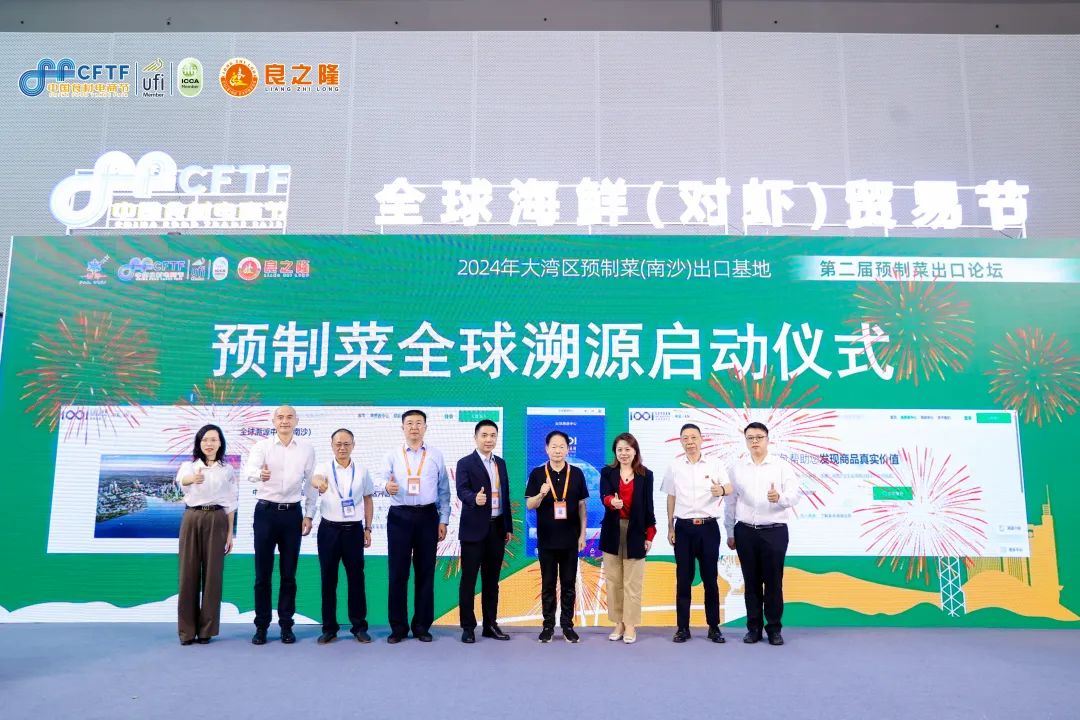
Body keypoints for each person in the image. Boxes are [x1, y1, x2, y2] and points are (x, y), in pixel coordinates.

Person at [244, 405, 317, 645]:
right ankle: (261, 626)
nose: (285, 421)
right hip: (265, 513)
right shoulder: (262, 446)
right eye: (280, 417)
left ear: (297, 420)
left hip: (292, 515)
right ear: (273, 421)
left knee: (289, 575)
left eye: (289, 417)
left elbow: (311, 484)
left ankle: (286, 626)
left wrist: (309, 514)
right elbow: (249, 470)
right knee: (262, 575)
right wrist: (259, 475)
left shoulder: (306, 449)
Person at [725, 421, 800, 646]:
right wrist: (730, 531)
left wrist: (780, 498)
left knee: (774, 583)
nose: (755, 441)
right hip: (745, 531)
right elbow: (730, 502)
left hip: (774, 531)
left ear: (768, 440)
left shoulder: (781, 466)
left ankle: (774, 629)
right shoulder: (737, 468)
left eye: (759, 437)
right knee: (751, 583)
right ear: (746, 441)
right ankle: (753, 629)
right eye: (750, 438)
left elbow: (795, 495)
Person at [382, 409, 451, 643]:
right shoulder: (392, 455)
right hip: (399, 516)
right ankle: (398, 628)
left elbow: (444, 491)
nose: (414, 427)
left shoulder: (435, 455)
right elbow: (381, 480)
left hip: (427, 516)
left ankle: (422, 626)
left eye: (419, 423)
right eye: (409, 423)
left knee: (425, 572)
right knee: (397, 573)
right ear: (402, 427)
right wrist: (386, 487)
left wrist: (443, 520)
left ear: (425, 428)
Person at [662, 423, 732, 644]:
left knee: (710, 579)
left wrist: (721, 490)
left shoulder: (715, 463)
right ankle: (683, 628)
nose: (690, 442)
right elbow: (671, 497)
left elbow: (729, 488)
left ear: (702, 439)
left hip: (708, 528)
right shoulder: (674, 466)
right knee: (683, 579)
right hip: (683, 528)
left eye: (694, 437)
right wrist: (670, 526)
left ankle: (714, 627)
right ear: (681, 441)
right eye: (685, 438)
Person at [175, 424, 238, 645]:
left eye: (213, 439)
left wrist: (229, 534)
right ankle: (186, 631)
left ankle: (206, 631)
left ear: (220, 443)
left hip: (217, 518)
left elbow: (230, 503)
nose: (209, 444)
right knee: (188, 574)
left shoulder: (227, 470)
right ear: (199, 443)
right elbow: (182, 481)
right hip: (192, 518)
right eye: (204, 440)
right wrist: (193, 479)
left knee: (213, 576)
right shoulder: (189, 466)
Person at [525, 430, 588, 643]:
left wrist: (582, 535)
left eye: (562, 446)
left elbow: (582, 506)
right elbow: (529, 504)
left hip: (570, 540)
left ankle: (568, 626)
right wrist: (541, 493)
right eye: (554, 446)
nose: (558, 450)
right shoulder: (537, 474)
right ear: (546, 449)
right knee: (548, 584)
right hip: (547, 540)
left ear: (568, 449)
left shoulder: (576, 473)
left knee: (569, 585)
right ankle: (548, 626)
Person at [312, 428, 375, 645]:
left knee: (356, 579)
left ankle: (359, 627)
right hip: (329, 530)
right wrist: (320, 484)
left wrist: (368, 528)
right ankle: (329, 628)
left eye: (346, 444)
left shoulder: (362, 471)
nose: (342, 448)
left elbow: (368, 499)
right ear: (332, 446)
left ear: (353, 445)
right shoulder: (323, 467)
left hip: (353, 531)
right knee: (328, 580)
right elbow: (315, 480)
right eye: (338, 444)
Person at [456, 419, 513, 643]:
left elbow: (505, 495)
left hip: (496, 529)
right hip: (473, 530)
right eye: (484, 435)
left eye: (493, 435)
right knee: (469, 580)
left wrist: (507, 526)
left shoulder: (501, 463)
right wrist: (474, 498)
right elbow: (461, 490)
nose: (489, 439)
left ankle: (490, 624)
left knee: (492, 581)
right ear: (476, 437)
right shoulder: (465, 463)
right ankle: (468, 627)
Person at [599, 432, 656, 645]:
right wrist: (610, 502)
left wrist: (650, 534)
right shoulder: (607, 472)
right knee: (614, 581)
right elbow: (604, 495)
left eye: (627, 449)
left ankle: (630, 624)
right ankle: (618, 623)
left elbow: (649, 507)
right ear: (615, 452)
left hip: (636, 532)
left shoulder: (646, 475)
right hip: (612, 531)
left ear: (635, 451)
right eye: (620, 449)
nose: (623, 453)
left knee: (633, 583)